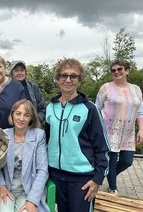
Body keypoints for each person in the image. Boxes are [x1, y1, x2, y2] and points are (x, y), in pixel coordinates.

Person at [45, 58, 110, 212]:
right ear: (57, 78)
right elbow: (46, 141)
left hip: (82, 178)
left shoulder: (89, 109)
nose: (68, 79)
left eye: (73, 76)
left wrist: (98, 179)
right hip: (55, 175)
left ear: (79, 80)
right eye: (64, 75)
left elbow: (102, 147)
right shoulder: (50, 107)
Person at [0, 99, 49, 212]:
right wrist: (1, 186)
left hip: (28, 191)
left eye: (26, 115)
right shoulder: (3, 135)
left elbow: (42, 170)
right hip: (5, 189)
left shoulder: (39, 135)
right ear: (12, 114)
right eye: (18, 113)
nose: (21, 118)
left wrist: (32, 200)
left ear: (31, 118)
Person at [95, 59, 143, 195]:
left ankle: (107, 176)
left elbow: (140, 110)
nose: (116, 72)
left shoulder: (136, 89)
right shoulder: (106, 87)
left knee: (127, 161)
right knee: (111, 161)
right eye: (113, 70)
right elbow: (96, 108)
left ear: (127, 70)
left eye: (120, 69)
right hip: (109, 130)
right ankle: (113, 189)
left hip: (127, 132)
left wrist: (141, 129)